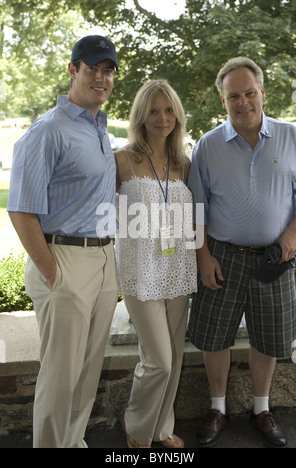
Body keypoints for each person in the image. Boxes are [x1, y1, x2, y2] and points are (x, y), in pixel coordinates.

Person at [7, 35, 119, 448]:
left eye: (108, 71)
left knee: (87, 372)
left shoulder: (99, 128)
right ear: (73, 70)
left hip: (103, 259)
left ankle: (73, 442)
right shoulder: (48, 131)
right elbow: (20, 209)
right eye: (93, 68)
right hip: (64, 259)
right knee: (60, 376)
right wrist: (54, 274)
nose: (101, 78)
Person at [188, 57, 296, 448]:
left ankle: (261, 409)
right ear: (223, 101)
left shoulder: (293, 136)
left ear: (262, 93)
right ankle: (217, 408)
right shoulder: (208, 145)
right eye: (233, 95)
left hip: (276, 258)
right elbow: (196, 208)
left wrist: (294, 232)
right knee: (215, 337)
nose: (243, 102)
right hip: (222, 255)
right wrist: (203, 255)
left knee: (267, 338)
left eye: (249, 92)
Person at [115, 79, 197, 448]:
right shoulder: (122, 160)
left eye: (168, 110)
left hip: (177, 268)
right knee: (158, 360)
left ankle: (161, 428)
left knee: (174, 358)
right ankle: (136, 425)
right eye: (153, 110)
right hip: (140, 270)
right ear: (141, 115)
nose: (162, 118)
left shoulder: (184, 164)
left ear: (177, 115)